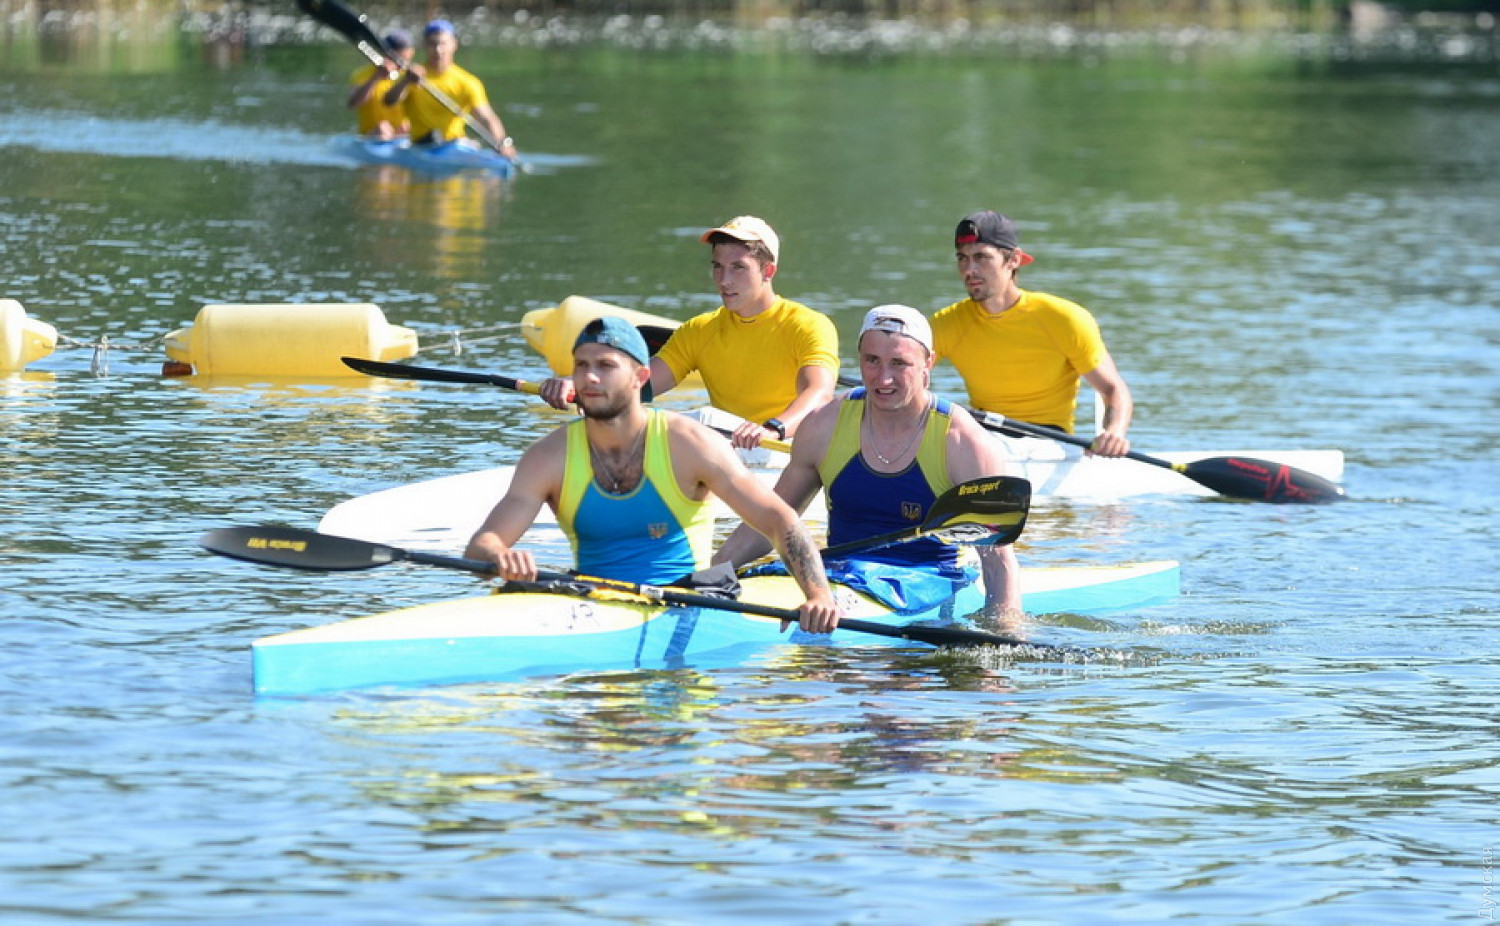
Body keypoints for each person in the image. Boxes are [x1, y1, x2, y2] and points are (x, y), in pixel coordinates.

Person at [466, 316, 843, 633]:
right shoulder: (548, 456)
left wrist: (818, 596)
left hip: (686, 602)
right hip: (592, 602)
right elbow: (481, 545)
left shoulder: (689, 443)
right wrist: (499, 556)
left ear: (640, 377)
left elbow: (780, 521)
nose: (590, 378)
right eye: (581, 366)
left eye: (606, 366)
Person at [714, 305, 1023, 622]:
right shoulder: (823, 426)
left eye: (899, 363)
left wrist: (1004, 629)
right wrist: (711, 574)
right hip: (839, 572)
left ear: (928, 363)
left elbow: (998, 561)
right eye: (872, 360)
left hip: (928, 577)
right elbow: (769, 521)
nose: (883, 378)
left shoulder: (964, 443)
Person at [539, 216, 839, 451]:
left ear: (768, 271)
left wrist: (773, 429)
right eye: (717, 267)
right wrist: (581, 385)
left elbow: (820, 394)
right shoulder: (700, 330)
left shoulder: (808, 325)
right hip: (729, 451)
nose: (724, 280)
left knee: (700, 420)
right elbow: (638, 387)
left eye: (738, 268)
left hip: (787, 450)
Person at [933, 210, 1134, 457]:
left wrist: (1114, 432)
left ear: (1014, 260)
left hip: (1050, 443)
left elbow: (1113, 390)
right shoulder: (947, 323)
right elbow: (901, 375)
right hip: (985, 437)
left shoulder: (1064, 319)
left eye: (981, 257)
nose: (969, 269)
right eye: (962, 258)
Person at [384, 19, 519, 160]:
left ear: (454, 44)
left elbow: (486, 117)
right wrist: (405, 81)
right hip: (420, 147)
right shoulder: (412, 75)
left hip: (454, 147)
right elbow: (388, 101)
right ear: (425, 45)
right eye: (433, 44)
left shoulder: (467, 82)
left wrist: (502, 143)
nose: (438, 50)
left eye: (443, 44)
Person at [346, 30, 413, 140]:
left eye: (401, 51)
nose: (397, 57)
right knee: (382, 129)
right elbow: (354, 103)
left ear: (411, 52)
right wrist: (376, 77)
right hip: (373, 137)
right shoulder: (362, 75)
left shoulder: (413, 76)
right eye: (393, 52)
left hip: (404, 136)